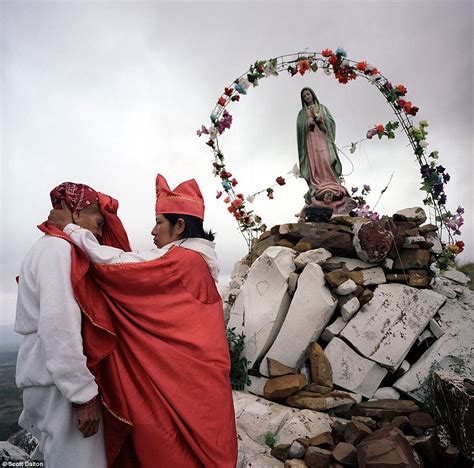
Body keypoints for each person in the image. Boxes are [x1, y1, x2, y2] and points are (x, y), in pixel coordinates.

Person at [47, 174, 238, 468]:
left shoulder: (183, 261)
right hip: (199, 385)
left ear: (180, 226)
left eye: (159, 222)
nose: (152, 230)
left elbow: (117, 267)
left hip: (186, 387)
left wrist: (70, 229)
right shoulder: (196, 261)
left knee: (173, 450)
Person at [14, 181, 128, 468]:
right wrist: (82, 395)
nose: (101, 232)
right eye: (98, 221)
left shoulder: (47, 248)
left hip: (47, 377)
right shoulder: (57, 250)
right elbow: (58, 325)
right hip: (58, 384)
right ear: (76, 215)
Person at [297, 87, 356, 216]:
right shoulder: (302, 114)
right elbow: (300, 130)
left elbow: (331, 122)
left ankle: (331, 182)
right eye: (304, 96)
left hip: (323, 138)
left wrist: (320, 119)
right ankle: (318, 184)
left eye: (308, 94)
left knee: (325, 159)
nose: (307, 97)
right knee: (316, 162)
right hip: (310, 141)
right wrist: (307, 123)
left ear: (313, 94)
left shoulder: (322, 108)